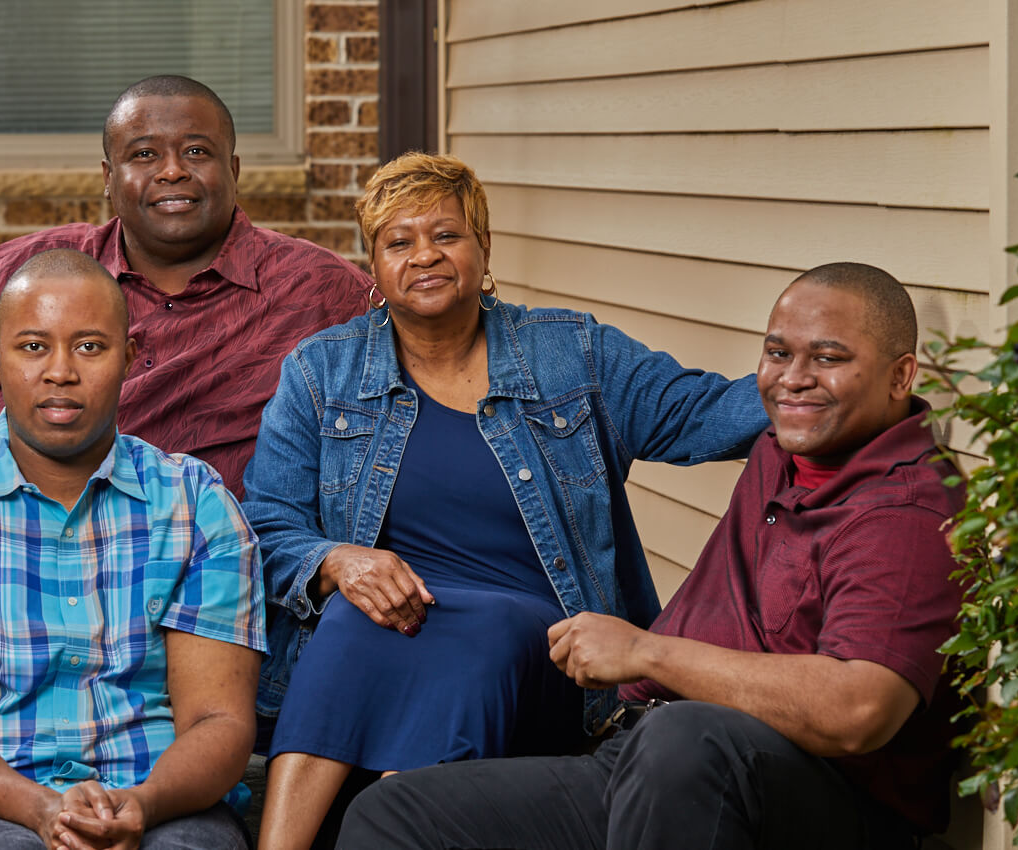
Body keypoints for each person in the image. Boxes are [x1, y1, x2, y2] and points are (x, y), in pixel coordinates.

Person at [336, 262, 966, 850]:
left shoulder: (905, 513)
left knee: (687, 739)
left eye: (828, 359)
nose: (793, 377)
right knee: (393, 815)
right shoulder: (784, 448)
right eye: (778, 353)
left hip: (811, 802)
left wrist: (645, 651)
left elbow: (859, 710)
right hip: (649, 756)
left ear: (900, 376)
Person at [240, 152, 770, 850]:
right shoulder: (321, 372)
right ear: (372, 265)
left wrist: (814, 381)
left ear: (482, 249)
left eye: (446, 235)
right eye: (398, 241)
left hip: (544, 652)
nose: (424, 255)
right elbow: (269, 526)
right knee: (351, 614)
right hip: (388, 631)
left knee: (477, 630)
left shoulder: (570, 354)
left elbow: (698, 414)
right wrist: (338, 560)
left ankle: (410, 825)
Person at [0, 74, 369, 727]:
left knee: (48, 614)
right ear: (107, 177)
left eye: (195, 152)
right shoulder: (39, 272)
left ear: (233, 169)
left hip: (155, 568)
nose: (171, 172)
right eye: (143, 154)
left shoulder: (321, 294)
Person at [0, 249, 266, 850]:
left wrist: (140, 805)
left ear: (129, 359)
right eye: (32, 347)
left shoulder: (195, 503)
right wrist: (44, 810)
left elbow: (220, 722)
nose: (60, 372)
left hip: (160, 798)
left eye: (88, 347)